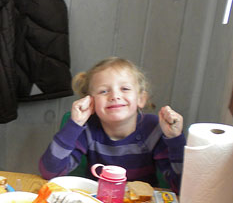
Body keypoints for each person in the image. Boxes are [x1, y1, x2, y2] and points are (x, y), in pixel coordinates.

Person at [38, 57, 186, 192]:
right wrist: (74, 125)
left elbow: (181, 186)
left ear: (141, 98)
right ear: (91, 102)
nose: (115, 96)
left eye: (125, 89)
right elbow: (50, 172)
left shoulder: (154, 129)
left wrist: (175, 139)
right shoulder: (87, 129)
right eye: (103, 91)